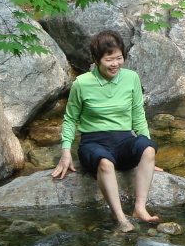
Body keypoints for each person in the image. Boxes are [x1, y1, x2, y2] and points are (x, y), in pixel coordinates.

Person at [51, 30, 160, 233]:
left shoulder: (131, 78)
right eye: (109, 59)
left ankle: (139, 208)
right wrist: (65, 152)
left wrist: (148, 156)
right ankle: (120, 218)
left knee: (148, 149)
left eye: (119, 58)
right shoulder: (82, 83)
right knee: (105, 162)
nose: (115, 64)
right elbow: (70, 119)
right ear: (96, 60)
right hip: (94, 143)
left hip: (125, 139)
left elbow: (138, 114)